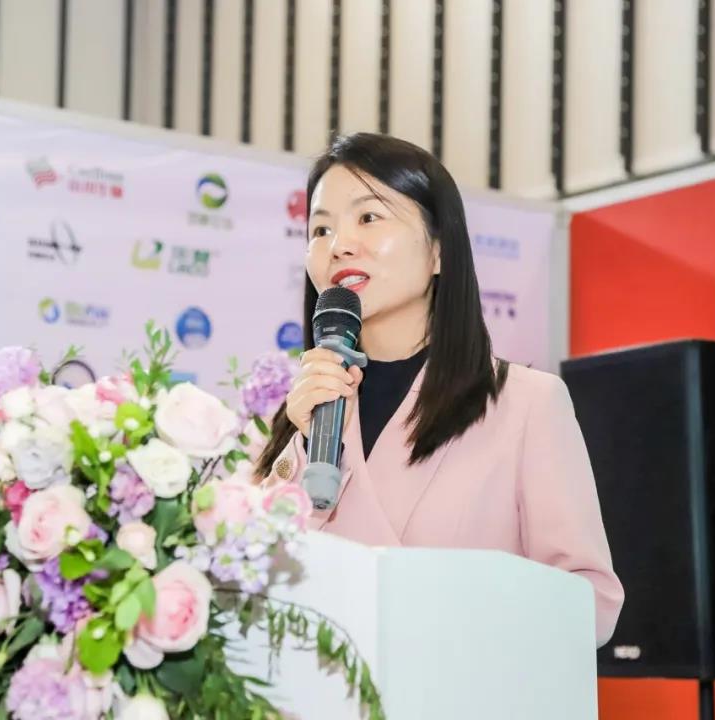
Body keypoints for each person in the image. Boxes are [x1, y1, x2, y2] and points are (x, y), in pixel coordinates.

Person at [255, 133, 624, 647]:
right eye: (320, 229)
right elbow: (243, 577)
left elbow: (590, 605)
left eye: (368, 217)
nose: (339, 244)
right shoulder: (296, 416)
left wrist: (443, 615)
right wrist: (299, 444)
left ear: (438, 250)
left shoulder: (527, 404)